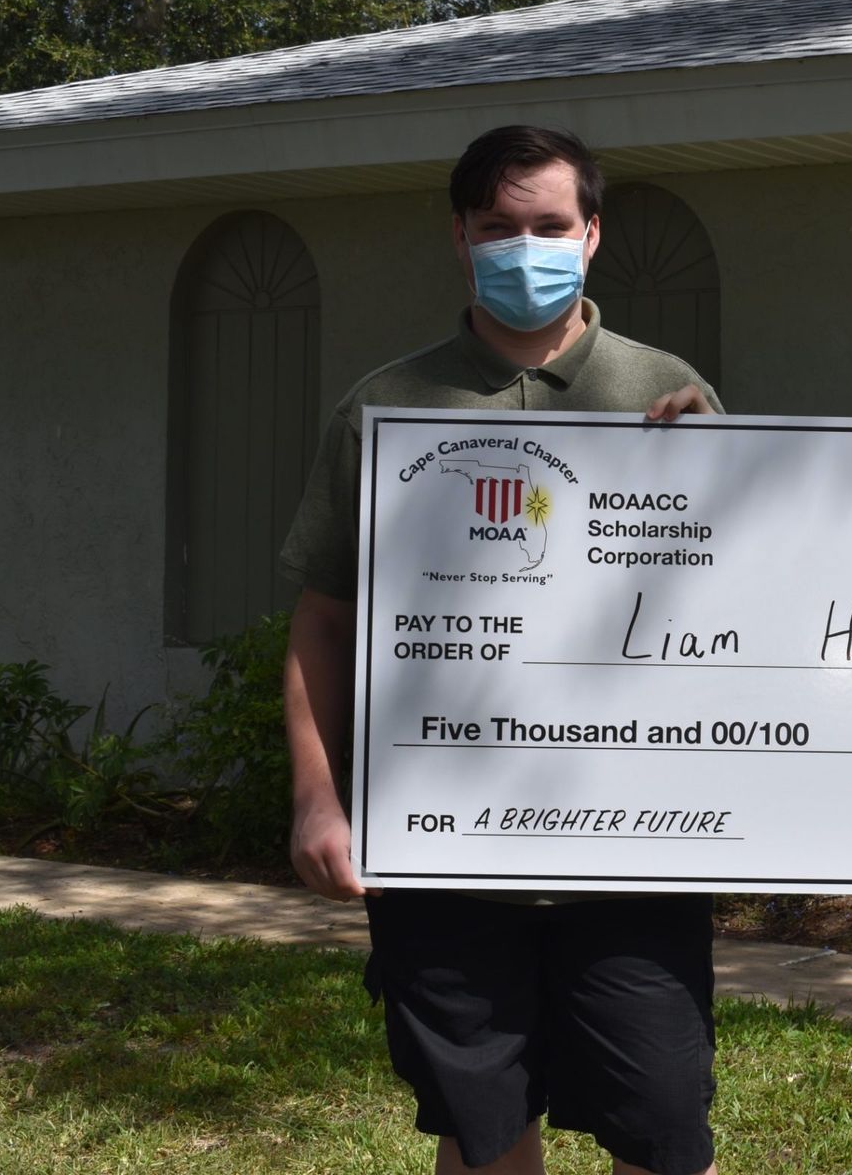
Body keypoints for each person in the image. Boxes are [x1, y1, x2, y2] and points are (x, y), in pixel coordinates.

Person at [280, 125, 722, 1175]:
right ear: (461, 236)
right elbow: (324, 619)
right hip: (443, 857)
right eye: (498, 227)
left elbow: (741, 609)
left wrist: (720, 477)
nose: (526, 247)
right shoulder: (387, 407)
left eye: (551, 226)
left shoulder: (671, 391)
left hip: (634, 858)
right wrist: (317, 798)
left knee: (666, 1132)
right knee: (481, 1138)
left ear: (593, 234)